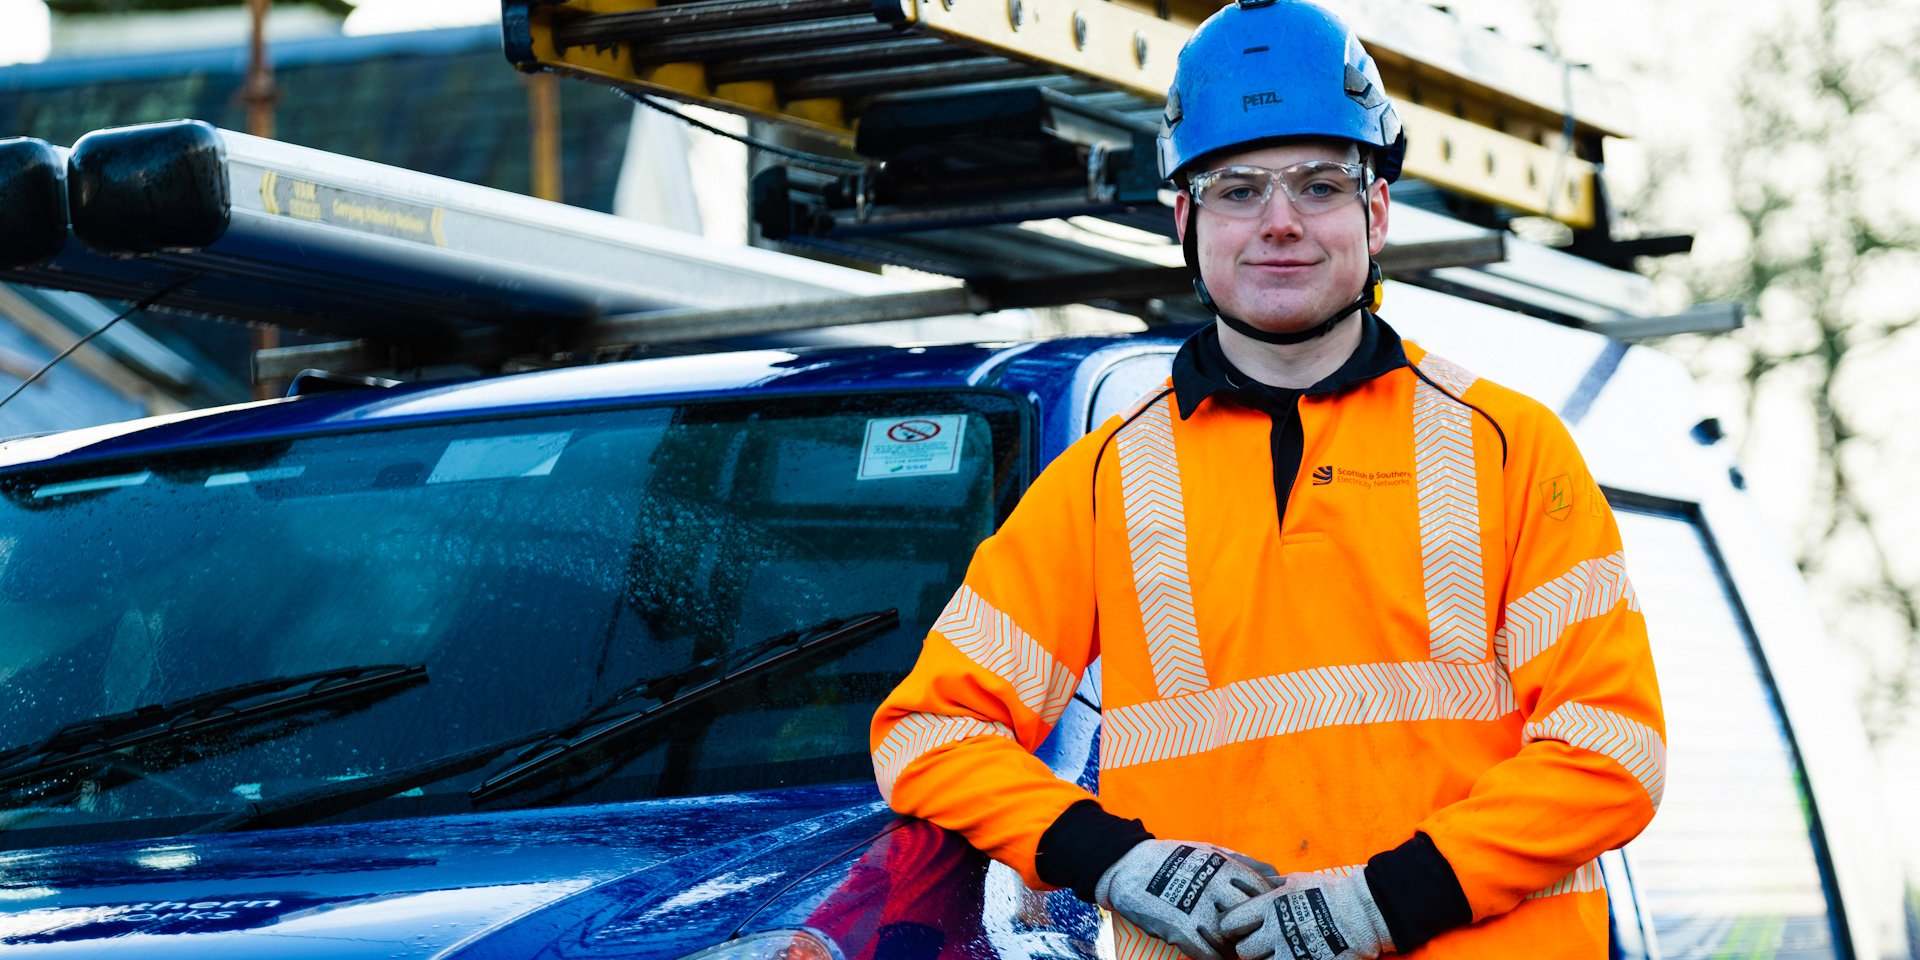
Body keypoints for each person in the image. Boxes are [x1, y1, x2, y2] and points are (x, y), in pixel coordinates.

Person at [869, 1, 1667, 957]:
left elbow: (1612, 751)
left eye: (1320, 184)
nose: (1280, 223)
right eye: (1238, 189)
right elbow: (927, 733)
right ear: (1184, 217)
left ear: (1376, 211)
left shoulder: (1511, 449)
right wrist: (1110, 858)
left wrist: (1388, 899)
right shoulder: (1102, 483)